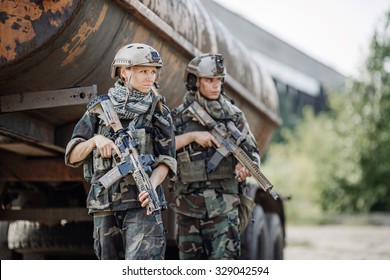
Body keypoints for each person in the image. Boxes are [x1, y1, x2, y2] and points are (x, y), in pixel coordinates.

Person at [64, 43, 176, 260]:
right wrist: (95, 141)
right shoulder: (99, 110)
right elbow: (72, 155)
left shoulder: (159, 110)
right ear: (124, 72)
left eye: (153, 71)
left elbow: (167, 160)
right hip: (104, 204)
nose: (150, 77)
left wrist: (150, 187)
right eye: (143, 71)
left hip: (143, 205)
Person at [171, 53, 261, 260]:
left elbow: (252, 152)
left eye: (219, 80)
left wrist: (245, 166)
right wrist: (192, 136)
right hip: (188, 209)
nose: (215, 86)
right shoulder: (178, 117)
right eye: (209, 80)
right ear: (194, 81)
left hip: (224, 208)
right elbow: (161, 150)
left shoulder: (234, 115)